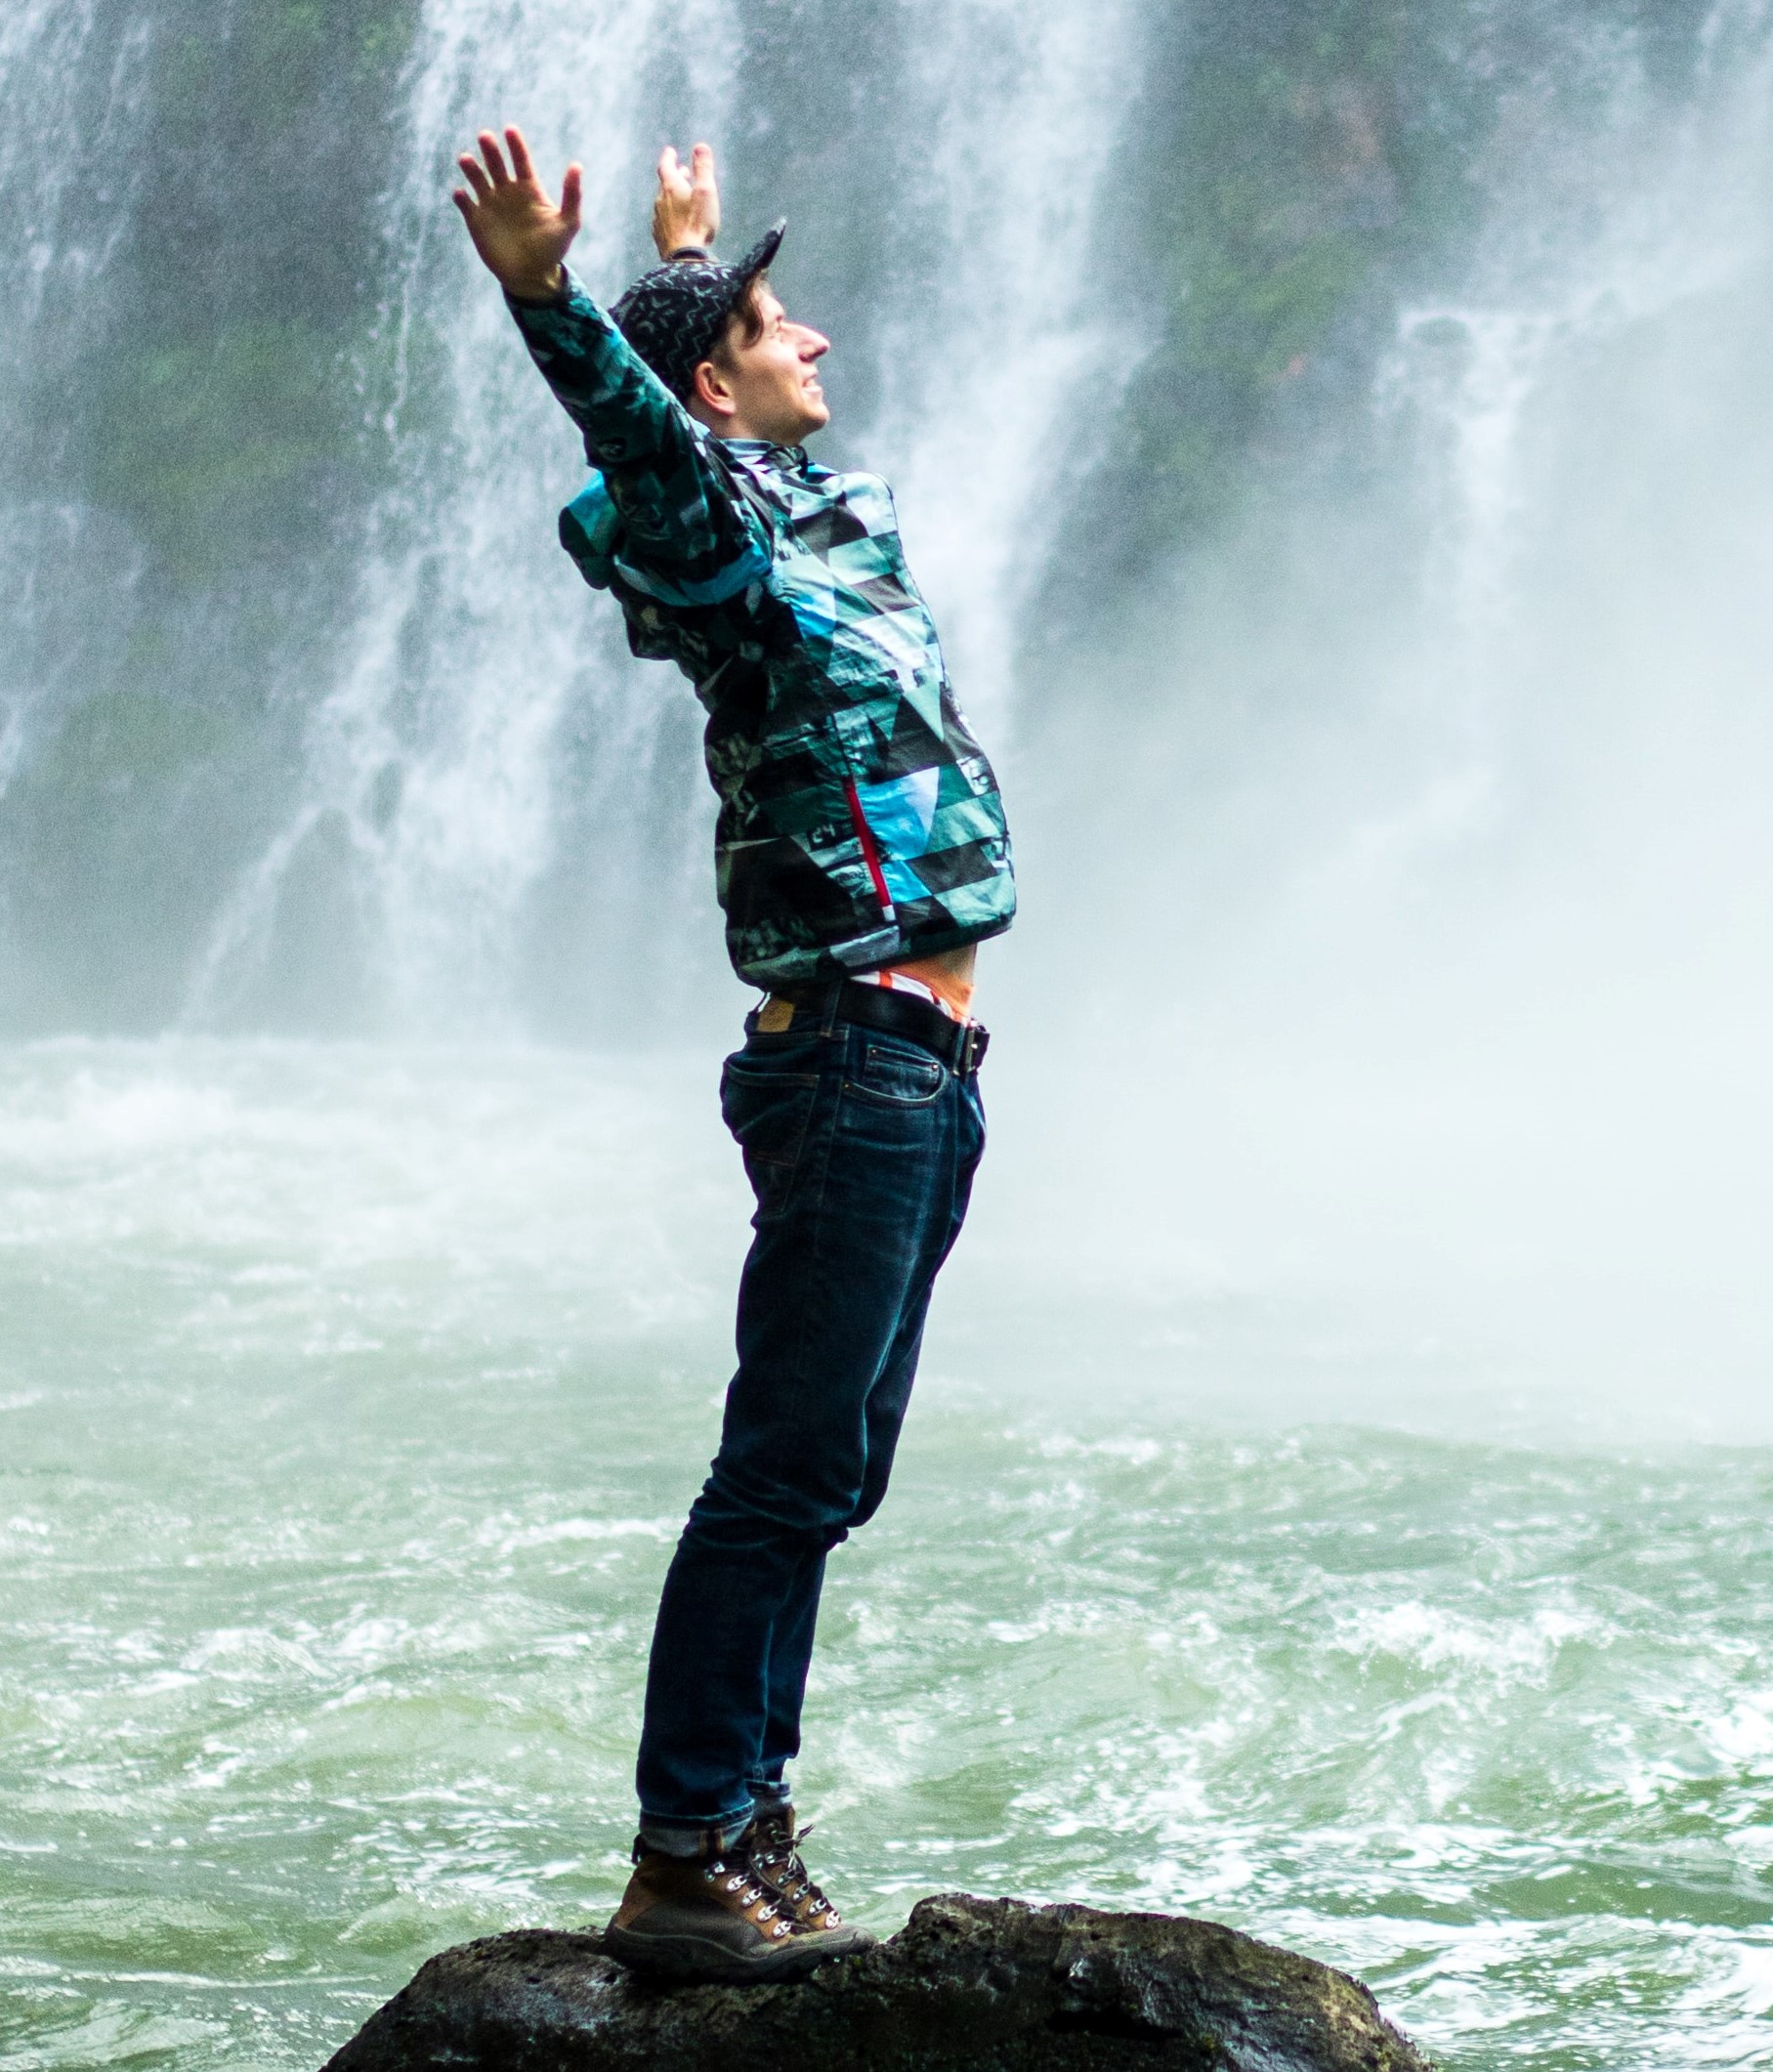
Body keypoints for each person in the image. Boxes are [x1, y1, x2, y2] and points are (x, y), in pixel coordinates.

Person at [450, 126, 1017, 1981]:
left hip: (925, 1069)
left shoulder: (819, 521)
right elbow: (643, 459)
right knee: (778, 1472)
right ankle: (686, 1844)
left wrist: (695, 268)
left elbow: (725, 441)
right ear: (713, 390)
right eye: (784, 327)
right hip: (852, 1057)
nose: (824, 338)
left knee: (828, 1473)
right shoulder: (720, 551)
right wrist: (557, 299)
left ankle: (747, 1821)